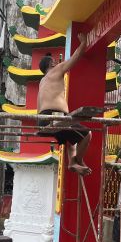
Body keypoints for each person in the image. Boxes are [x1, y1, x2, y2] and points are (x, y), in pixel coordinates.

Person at [37, 32, 92, 176]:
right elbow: (75, 58)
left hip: (43, 120)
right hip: (55, 117)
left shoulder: (42, 82)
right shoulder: (57, 70)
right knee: (87, 134)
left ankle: (72, 161)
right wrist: (83, 43)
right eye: (54, 61)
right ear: (52, 63)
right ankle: (77, 161)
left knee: (70, 139)